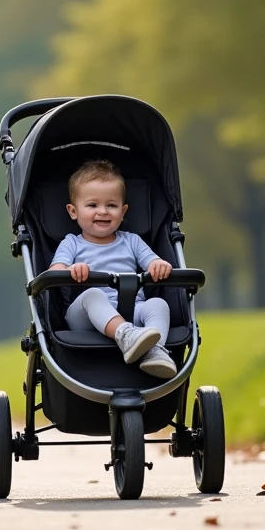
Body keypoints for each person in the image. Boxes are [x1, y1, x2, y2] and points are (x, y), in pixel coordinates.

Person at [48, 160, 178, 379]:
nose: (103, 212)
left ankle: (155, 351)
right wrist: (70, 270)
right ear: (73, 211)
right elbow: (54, 271)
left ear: (123, 211)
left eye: (111, 205)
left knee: (158, 304)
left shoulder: (132, 241)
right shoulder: (72, 243)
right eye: (92, 205)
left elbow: (153, 262)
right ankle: (126, 335)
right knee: (93, 294)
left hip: (131, 309)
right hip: (85, 317)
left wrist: (158, 266)